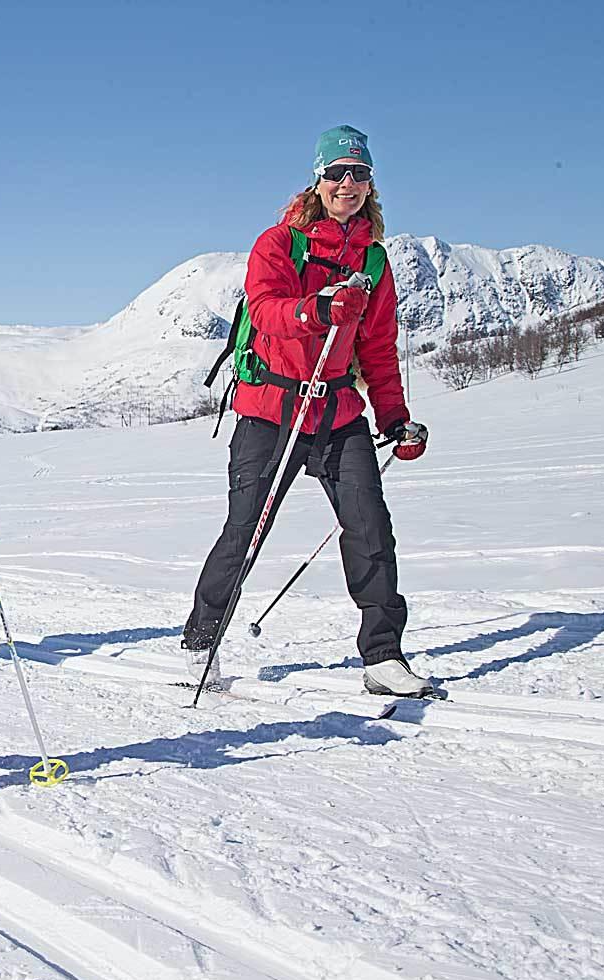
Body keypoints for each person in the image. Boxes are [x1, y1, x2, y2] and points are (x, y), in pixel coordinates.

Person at [182, 124, 434, 697]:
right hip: (271, 411)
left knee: (370, 527)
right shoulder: (279, 243)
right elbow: (266, 310)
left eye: (360, 174)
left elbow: (378, 349)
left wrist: (394, 419)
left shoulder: (373, 261)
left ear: (370, 184)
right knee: (246, 530)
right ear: (318, 180)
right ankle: (200, 643)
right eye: (338, 173)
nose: (349, 183)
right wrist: (316, 309)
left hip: (337, 413)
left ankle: (383, 656)